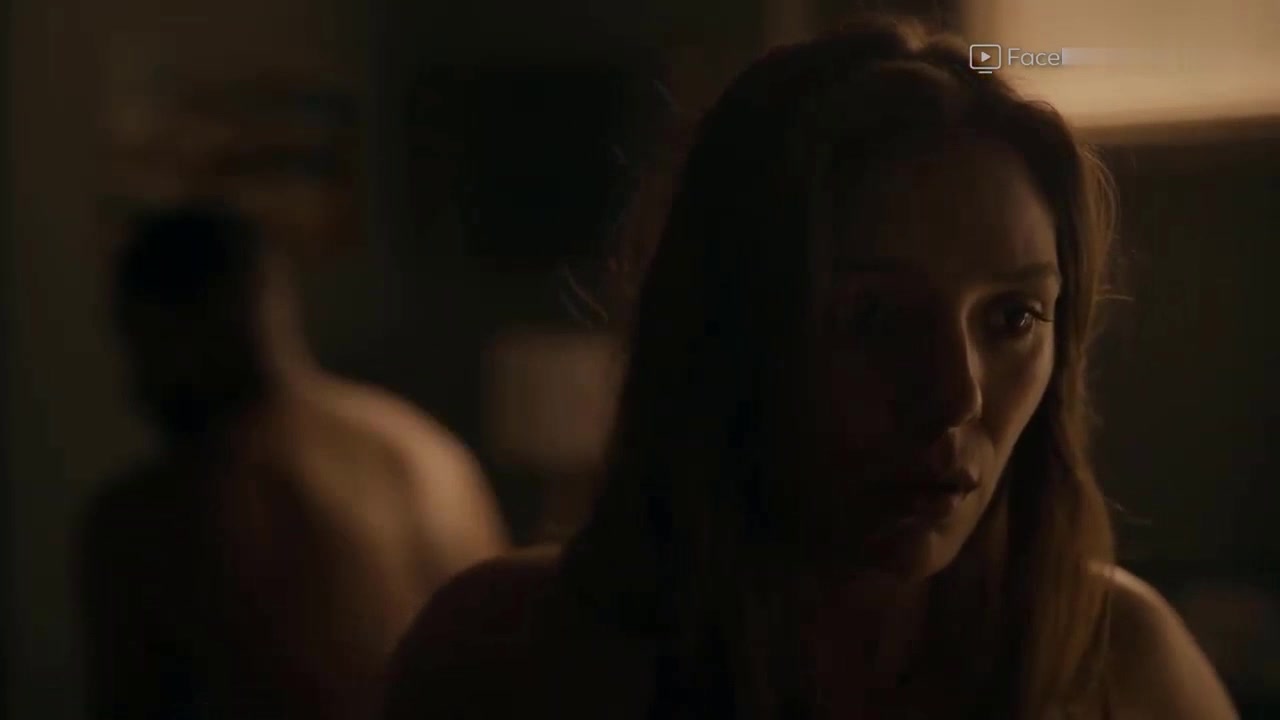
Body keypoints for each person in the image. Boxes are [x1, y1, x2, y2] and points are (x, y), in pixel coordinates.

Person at [382, 16, 1237, 720]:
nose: (955, 394)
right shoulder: (504, 658)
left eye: (1014, 317)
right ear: (732, 329)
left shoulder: (1117, 664)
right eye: (875, 320)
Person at [79, 205, 509, 720]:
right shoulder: (422, 446)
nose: (133, 381)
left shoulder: (165, 510)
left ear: (175, 325)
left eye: (137, 339)